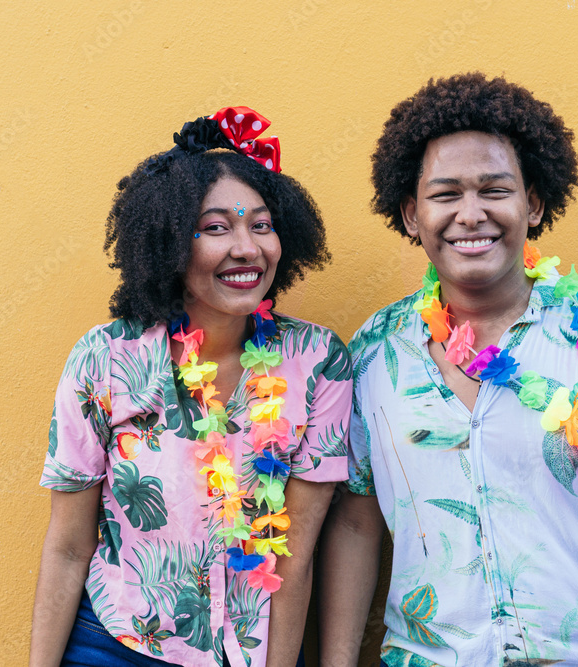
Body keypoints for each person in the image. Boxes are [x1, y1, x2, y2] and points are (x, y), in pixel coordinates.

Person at [318, 73, 578, 666]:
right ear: (410, 213)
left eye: (494, 190)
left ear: (532, 203)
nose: (470, 214)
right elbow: (355, 526)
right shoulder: (377, 348)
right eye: (446, 194)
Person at [30, 106, 353, 667]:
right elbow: (67, 546)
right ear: (171, 244)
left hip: (259, 651)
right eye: (216, 228)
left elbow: (296, 559)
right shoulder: (106, 359)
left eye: (261, 224)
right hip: (117, 644)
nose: (247, 248)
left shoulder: (319, 361)